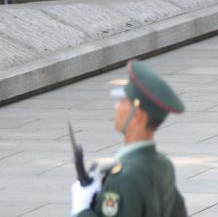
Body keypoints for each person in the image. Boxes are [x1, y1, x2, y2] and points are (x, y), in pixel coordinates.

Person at [70, 59, 186, 216]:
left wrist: (81, 210)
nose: (116, 106)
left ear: (137, 115)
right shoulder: (163, 164)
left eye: (122, 101)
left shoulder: (123, 178)